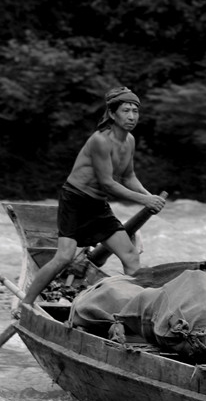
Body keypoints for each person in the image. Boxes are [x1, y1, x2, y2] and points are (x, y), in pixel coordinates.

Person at [21, 87, 166, 308]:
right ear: (112, 113)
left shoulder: (130, 141)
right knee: (64, 257)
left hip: (98, 204)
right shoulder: (100, 140)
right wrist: (144, 201)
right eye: (126, 110)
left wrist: (149, 196)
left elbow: (128, 176)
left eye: (135, 111)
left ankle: (133, 312)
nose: (131, 116)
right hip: (76, 200)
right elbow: (108, 183)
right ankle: (26, 305)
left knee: (131, 256)